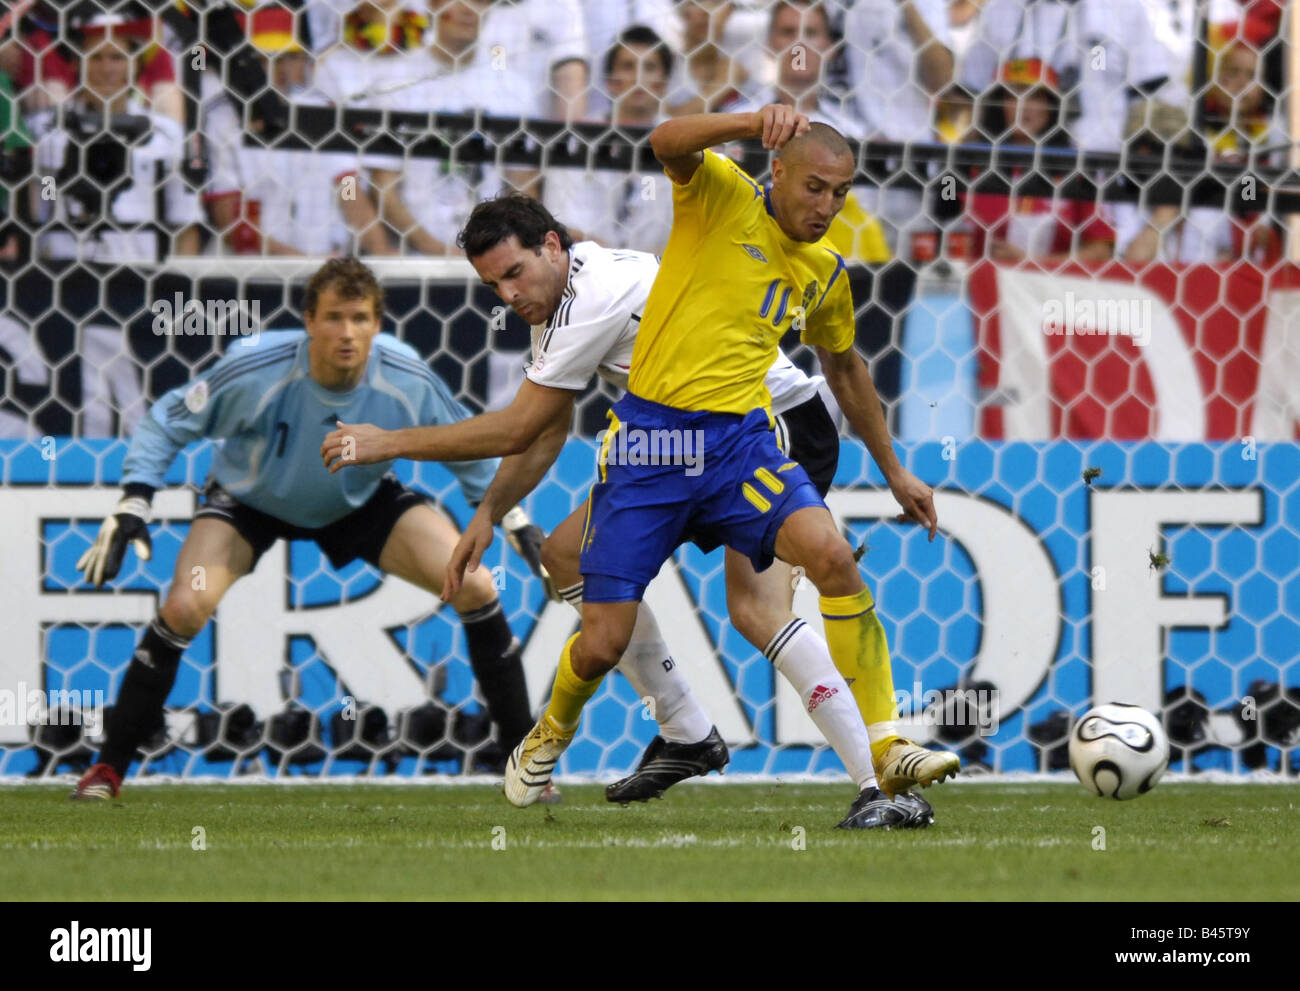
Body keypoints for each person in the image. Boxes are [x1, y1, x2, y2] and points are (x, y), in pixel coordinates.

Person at [330, 108, 962, 828]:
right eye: (491, 285)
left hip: (767, 422)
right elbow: (545, 432)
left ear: (552, 244)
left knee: (758, 607)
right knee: (565, 558)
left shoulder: (599, 293)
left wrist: (386, 442)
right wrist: (483, 513)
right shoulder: (561, 300)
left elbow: (520, 424)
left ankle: (878, 782)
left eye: (513, 273)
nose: (506, 295)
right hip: (665, 443)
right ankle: (688, 728)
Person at [70, 258, 543, 800]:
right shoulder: (256, 368)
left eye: (361, 319)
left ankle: (523, 768)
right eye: (335, 318)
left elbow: (465, 443)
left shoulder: (405, 372)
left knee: (478, 586)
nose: (347, 333)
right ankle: (106, 771)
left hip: (359, 499)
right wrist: (135, 499)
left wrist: (513, 517)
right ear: (308, 320)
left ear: (378, 324)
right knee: (183, 607)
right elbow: (168, 419)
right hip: (249, 500)